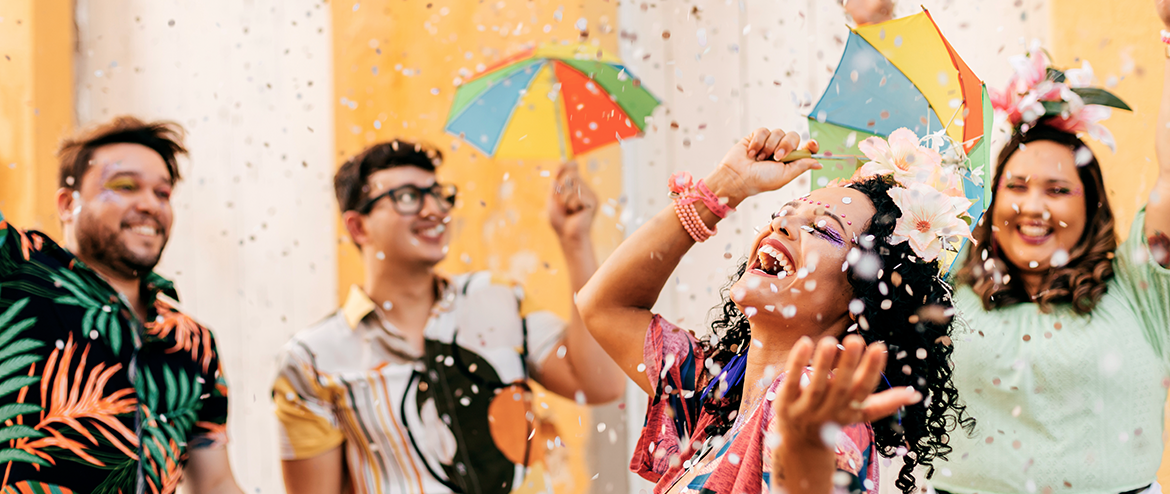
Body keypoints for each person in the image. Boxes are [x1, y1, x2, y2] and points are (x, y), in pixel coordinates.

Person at [576, 126, 974, 494]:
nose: (781, 225)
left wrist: (803, 467)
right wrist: (725, 186)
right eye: (784, 212)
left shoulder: (812, 405)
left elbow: (818, 470)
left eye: (824, 229)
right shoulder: (717, 396)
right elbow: (605, 307)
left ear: (864, 298)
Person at [272, 140, 626, 494]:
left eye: (439, 194)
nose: (434, 210)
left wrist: (575, 240)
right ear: (358, 227)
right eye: (408, 197)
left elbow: (599, 382)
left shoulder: (497, 298)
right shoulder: (313, 359)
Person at [931, 5, 1170, 493]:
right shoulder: (946, 285)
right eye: (1016, 186)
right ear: (994, 201)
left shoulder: (1141, 288)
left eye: (1058, 190)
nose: (1032, 206)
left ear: (1092, 208)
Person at [0, 116, 244, 493]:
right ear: (67, 203)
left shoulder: (193, 342)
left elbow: (214, 483)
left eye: (162, 193)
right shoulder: (16, 274)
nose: (150, 204)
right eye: (125, 185)